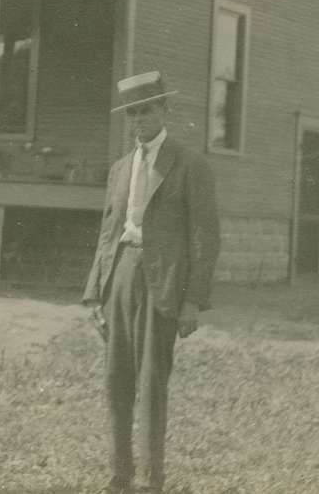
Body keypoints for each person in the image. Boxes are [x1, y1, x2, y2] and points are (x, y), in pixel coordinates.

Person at [82, 71, 221, 493]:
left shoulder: (188, 164)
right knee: (116, 378)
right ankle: (120, 472)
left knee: (152, 379)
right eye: (132, 113)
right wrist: (96, 293)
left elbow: (204, 235)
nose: (139, 120)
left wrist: (193, 300)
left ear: (165, 110)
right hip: (122, 272)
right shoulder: (121, 167)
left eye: (146, 110)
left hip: (164, 281)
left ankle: (151, 477)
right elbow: (108, 230)